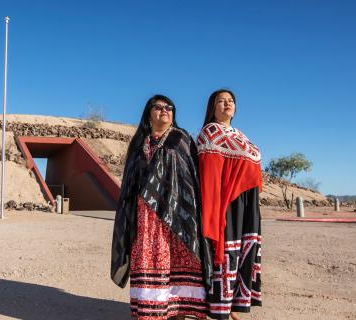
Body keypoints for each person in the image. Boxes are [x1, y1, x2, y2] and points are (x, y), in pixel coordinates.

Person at [111, 94, 212, 320]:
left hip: (178, 216)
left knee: (177, 263)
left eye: (169, 107)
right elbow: (130, 180)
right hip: (146, 216)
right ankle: (150, 311)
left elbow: (191, 178)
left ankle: (177, 313)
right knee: (148, 259)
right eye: (158, 107)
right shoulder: (139, 142)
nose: (164, 110)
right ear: (149, 113)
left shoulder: (182, 139)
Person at [197, 89, 262, 320]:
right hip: (228, 203)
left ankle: (234, 304)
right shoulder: (210, 133)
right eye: (221, 101)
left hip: (248, 203)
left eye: (231, 101)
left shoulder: (239, 134)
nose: (227, 104)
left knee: (245, 251)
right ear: (212, 108)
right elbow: (209, 176)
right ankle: (219, 306)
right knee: (227, 253)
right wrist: (214, 210)